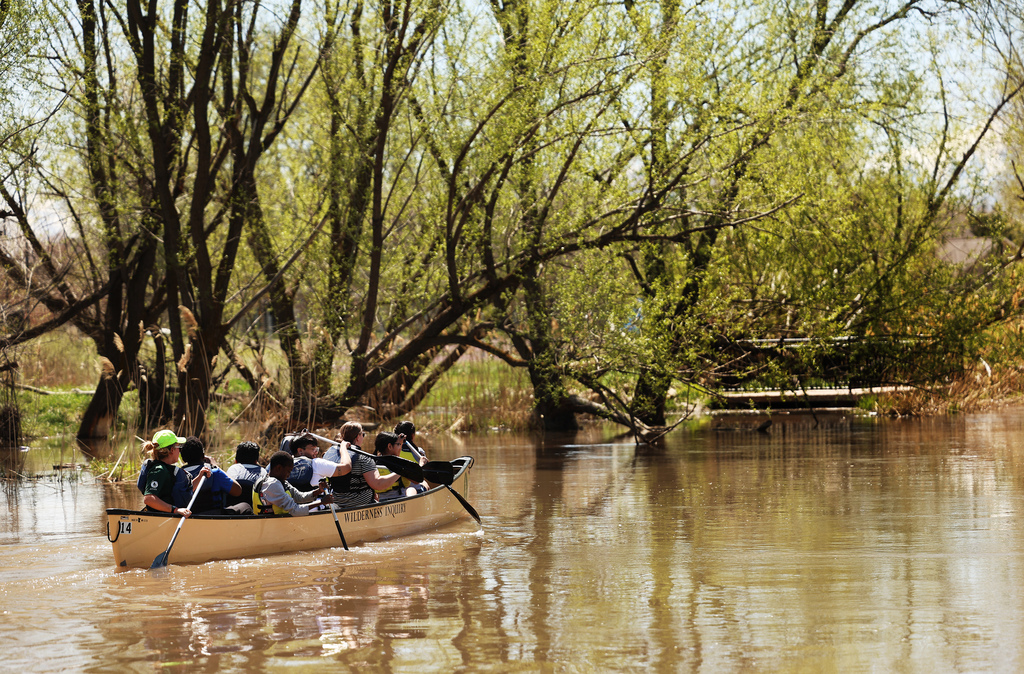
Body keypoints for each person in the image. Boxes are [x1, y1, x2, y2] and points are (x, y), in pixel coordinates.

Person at [324, 422, 402, 508]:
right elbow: (378, 484)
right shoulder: (363, 458)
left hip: (337, 504)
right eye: (363, 434)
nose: (363, 437)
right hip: (361, 506)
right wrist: (401, 471)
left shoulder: (331, 453)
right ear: (358, 437)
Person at [138, 429, 209, 517]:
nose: (180, 451)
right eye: (178, 447)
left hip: (165, 515)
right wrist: (175, 510)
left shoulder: (168, 470)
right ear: (172, 450)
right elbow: (149, 499)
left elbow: (184, 491)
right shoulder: (159, 470)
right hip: (158, 517)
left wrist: (200, 476)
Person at [180, 436, 252, 515]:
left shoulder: (179, 474)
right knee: (246, 506)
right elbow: (238, 491)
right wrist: (215, 466)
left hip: (189, 516)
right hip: (215, 515)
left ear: (183, 458)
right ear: (203, 455)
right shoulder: (214, 472)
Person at [252, 451, 328, 517]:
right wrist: (321, 502)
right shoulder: (272, 484)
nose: (289, 475)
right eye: (288, 471)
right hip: (272, 525)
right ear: (279, 468)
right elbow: (295, 510)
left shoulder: (281, 482)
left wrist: (319, 491)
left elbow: (299, 497)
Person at [373, 431, 426, 501]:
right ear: (389, 446)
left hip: (383, 500)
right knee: (411, 489)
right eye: (398, 445)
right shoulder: (400, 464)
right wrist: (421, 465)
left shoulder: (374, 463)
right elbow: (417, 480)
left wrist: (398, 441)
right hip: (401, 500)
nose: (400, 447)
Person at [225, 440, 267, 507]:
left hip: (231, 510)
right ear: (256, 461)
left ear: (236, 461)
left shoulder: (232, 469)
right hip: (256, 511)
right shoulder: (263, 472)